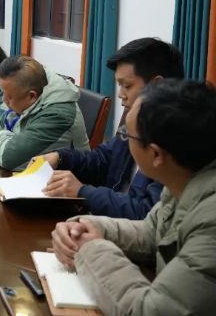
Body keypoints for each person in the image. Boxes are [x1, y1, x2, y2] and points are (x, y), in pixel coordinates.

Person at [50, 79, 216, 316]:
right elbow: (150, 232)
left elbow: (149, 311)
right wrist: (87, 227)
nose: (123, 140)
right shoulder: (184, 179)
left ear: (156, 154)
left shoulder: (210, 221)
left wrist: (90, 249)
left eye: (127, 135)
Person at [35, 38, 183, 219]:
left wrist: (83, 192)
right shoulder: (134, 122)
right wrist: (61, 158)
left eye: (127, 85)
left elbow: (147, 215)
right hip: (105, 221)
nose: (120, 94)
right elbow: (103, 160)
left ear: (156, 85)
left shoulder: (178, 144)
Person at [0, 55, 89, 171]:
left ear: (31, 96)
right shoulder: (27, 93)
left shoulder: (57, 114)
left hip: (67, 186)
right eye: (3, 93)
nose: (3, 100)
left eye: (9, 97)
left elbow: (9, 158)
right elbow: (3, 122)